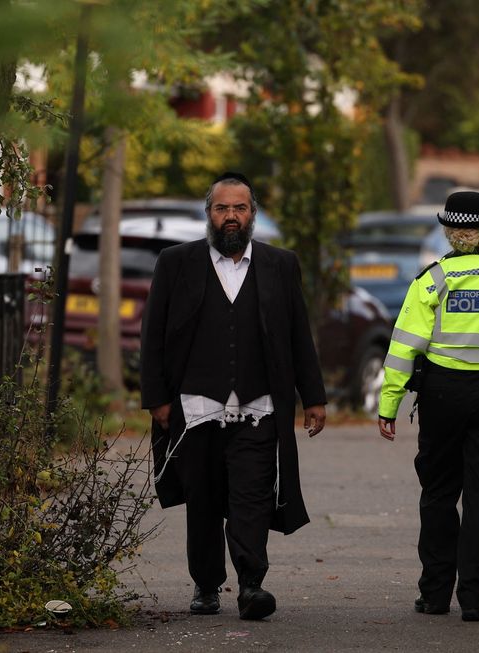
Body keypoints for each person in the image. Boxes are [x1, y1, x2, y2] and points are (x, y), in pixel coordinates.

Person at [140, 171, 327, 620]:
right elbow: (153, 335)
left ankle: (250, 586)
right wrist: (157, 399)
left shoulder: (280, 264)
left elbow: (299, 334)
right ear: (209, 214)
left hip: (258, 408)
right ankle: (206, 587)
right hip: (195, 408)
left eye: (239, 208)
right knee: (202, 501)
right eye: (222, 208)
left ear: (252, 215)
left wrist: (313, 396)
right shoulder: (176, 262)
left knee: (252, 497)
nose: (230, 216)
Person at [377, 191, 479, 622]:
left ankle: (436, 593)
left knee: (439, 493)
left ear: (448, 231)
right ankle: (476, 599)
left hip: (442, 395)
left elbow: (404, 347)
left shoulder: (433, 280)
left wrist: (389, 404)